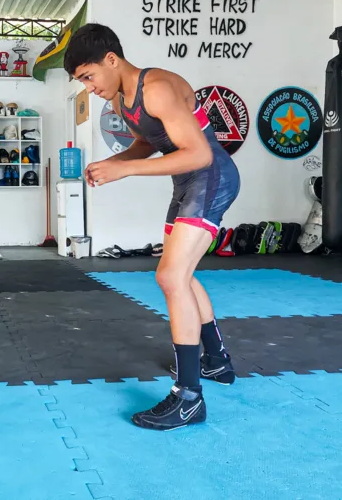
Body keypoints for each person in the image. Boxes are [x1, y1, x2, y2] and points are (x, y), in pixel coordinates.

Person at [63, 23, 240, 431]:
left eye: (88, 77)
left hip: (210, 176)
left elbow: (197, 153)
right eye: (81, 82)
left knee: (171, 276)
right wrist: (116, 162)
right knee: (182, 274)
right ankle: (215, 361)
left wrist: (127, 172)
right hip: (188, 182)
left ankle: (189, 398)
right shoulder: (125, 101)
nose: (89, 88)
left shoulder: (156, 87)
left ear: (111, 60)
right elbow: (150, 141)